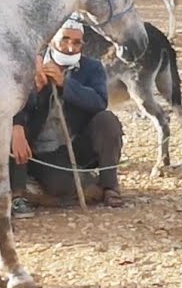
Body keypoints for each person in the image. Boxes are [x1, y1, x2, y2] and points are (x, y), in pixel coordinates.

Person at [10, 16, 126, 210]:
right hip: (44, 149)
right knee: (60, 186)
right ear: (51, 40)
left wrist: (66, 84)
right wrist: (36, 90)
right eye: (64, 40)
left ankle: (109, 186)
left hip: (76, 141)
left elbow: (99, 102)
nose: (70, 48)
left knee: (107, 121)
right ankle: (78, 182)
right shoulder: (32, 65)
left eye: (77, 42)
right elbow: (17, 105)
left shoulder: (92, 68)